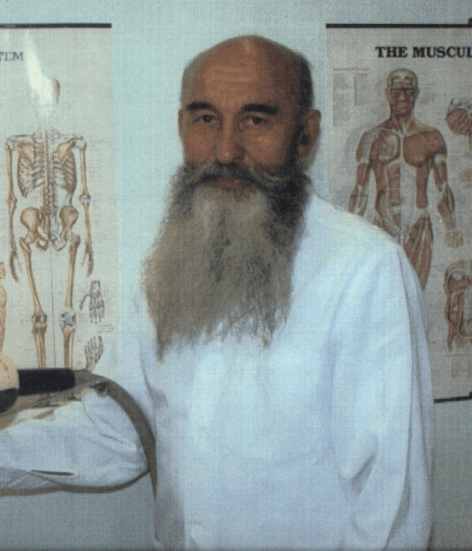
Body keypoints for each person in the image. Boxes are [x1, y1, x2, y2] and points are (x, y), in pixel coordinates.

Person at [0, 36, 432, 550]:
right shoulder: (172, 262)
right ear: (181, 125)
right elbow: (127, 428)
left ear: (305, 135)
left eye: (256, 120)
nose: (226, 150)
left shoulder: (365, 271)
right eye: (206, 119)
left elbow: (391, 512)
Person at [348, 68, 462, 289]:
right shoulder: (371, 137)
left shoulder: (432, 137)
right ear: (387, 94)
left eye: (408, 91)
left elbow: (442, 187)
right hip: (382, 225)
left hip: (419, 225)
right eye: (396, 91)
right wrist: (350, 230)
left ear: (416, 93)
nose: (402, 96)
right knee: (383, 292)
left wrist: (451, 226)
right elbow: (360, 190)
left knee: (415, 293)